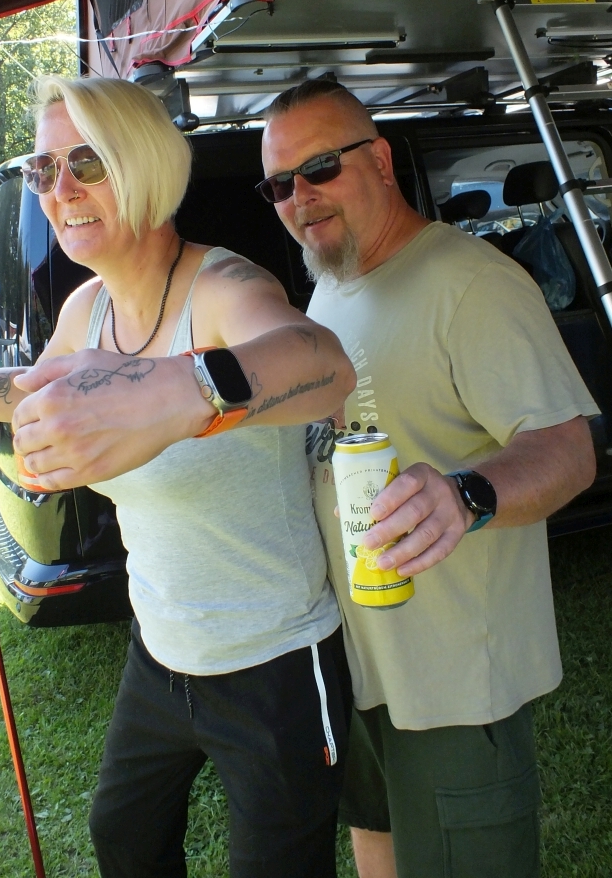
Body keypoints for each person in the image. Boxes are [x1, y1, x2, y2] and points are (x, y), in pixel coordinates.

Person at [0, 75, 358, 878]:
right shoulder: (85, 308)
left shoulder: (224, 289)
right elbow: (27, 387)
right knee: (124, 839)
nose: (59, 191)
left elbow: (323, 365)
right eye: (43, 169)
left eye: (85, 163)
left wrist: (180, 392)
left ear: (147, 166)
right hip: (160, 652)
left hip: (273, 662)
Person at [257, 78, 598, 878]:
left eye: (320, 168)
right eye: (279, 185)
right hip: (362, 665)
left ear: (379, 160)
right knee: (376, 842)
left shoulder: (471, 285)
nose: (300, 197)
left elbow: (568, 447)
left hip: (455, 686)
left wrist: (467, 494)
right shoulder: (333, 283)